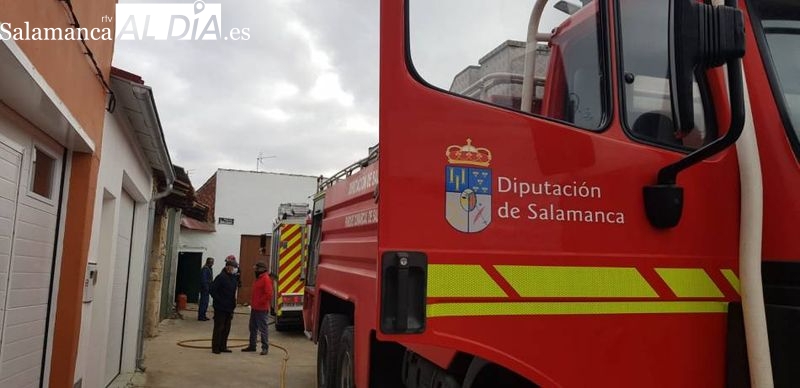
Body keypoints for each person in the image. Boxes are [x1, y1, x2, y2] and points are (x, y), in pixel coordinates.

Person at [242, 261, 273, 355]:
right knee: (252, 327)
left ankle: (265, 348)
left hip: (261, 309)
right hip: (255, 308)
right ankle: (252, 346)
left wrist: (260, 302)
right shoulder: (258, 278)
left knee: (263, 329)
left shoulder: (265, 279)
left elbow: (268, 294)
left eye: (256, 269)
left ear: (261, 269)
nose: (255, 270)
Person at [209, 258, 238, 354]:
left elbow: (233, 292)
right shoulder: (220, 277)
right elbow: (212, 290)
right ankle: (216, 347)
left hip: (229, 308)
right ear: (228, 267)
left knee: (226, 328)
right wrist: (219, 300)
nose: (235, 269)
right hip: (220, 307)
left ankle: (223, 346)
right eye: (233, 267)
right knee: (219, 328)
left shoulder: (233, 278)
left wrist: (233, 304)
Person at [198, 257, 214, 321]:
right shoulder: (205, 269)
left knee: (205, 303)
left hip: (207, 289)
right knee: (203, 303)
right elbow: (204, 280)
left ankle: (203, 315)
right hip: (204, 289)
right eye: (211, 262)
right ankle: (201, 316)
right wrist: (207, 288)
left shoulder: (209, 269)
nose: (212, 264)